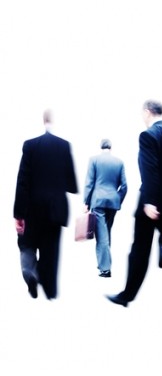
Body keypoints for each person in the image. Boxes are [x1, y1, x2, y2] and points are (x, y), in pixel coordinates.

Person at [106, 100, 162, 318]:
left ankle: (127, 296)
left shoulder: (148, 136)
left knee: (140, 250)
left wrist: (150, 201)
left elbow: (149, 170)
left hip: (154, 202)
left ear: (147, 112)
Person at [14, 109, 78, 299]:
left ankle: (30, 271)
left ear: (43, 121)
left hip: (32, 207)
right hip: (56, 208)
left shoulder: (30, 145)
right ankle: (50, 292)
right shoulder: (64, 146)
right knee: (51, 250)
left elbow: (22, 181)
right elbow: (72, 185)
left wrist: (18, 213)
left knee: (27, 243)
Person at [83, 138, 128, 278]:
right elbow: (124, 186)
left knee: (102, 236)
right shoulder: (119, 162)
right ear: (111, 147)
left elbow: (89, 183)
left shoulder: (94, 160)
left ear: (100, 147)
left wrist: (86, 202)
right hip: (113, 203)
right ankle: (105, 263)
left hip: (98, 202)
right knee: (106, 233)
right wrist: (117, 198)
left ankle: (105, 269)